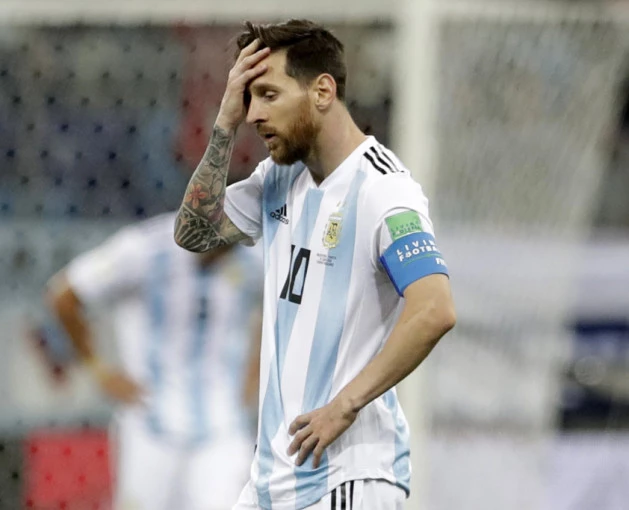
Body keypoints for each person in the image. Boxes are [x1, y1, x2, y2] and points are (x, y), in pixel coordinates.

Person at [173, 19, 456, 510]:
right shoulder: (278, 180)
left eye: (268, 95)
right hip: (273, 480)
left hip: (346, 475)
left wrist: (345, 405)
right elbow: (193, 235)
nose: (254, 114)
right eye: (248, 98)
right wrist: (223, 124)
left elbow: (434, 309)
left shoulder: (384, 189)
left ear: (322, 91)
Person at [45, 212, 263, 510]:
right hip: (150, 423)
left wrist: (257, 369)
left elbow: (283, 304)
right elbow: (64, 294)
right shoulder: (144, 248)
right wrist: (99, 371)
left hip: (222, 425)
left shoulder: (252, 255)